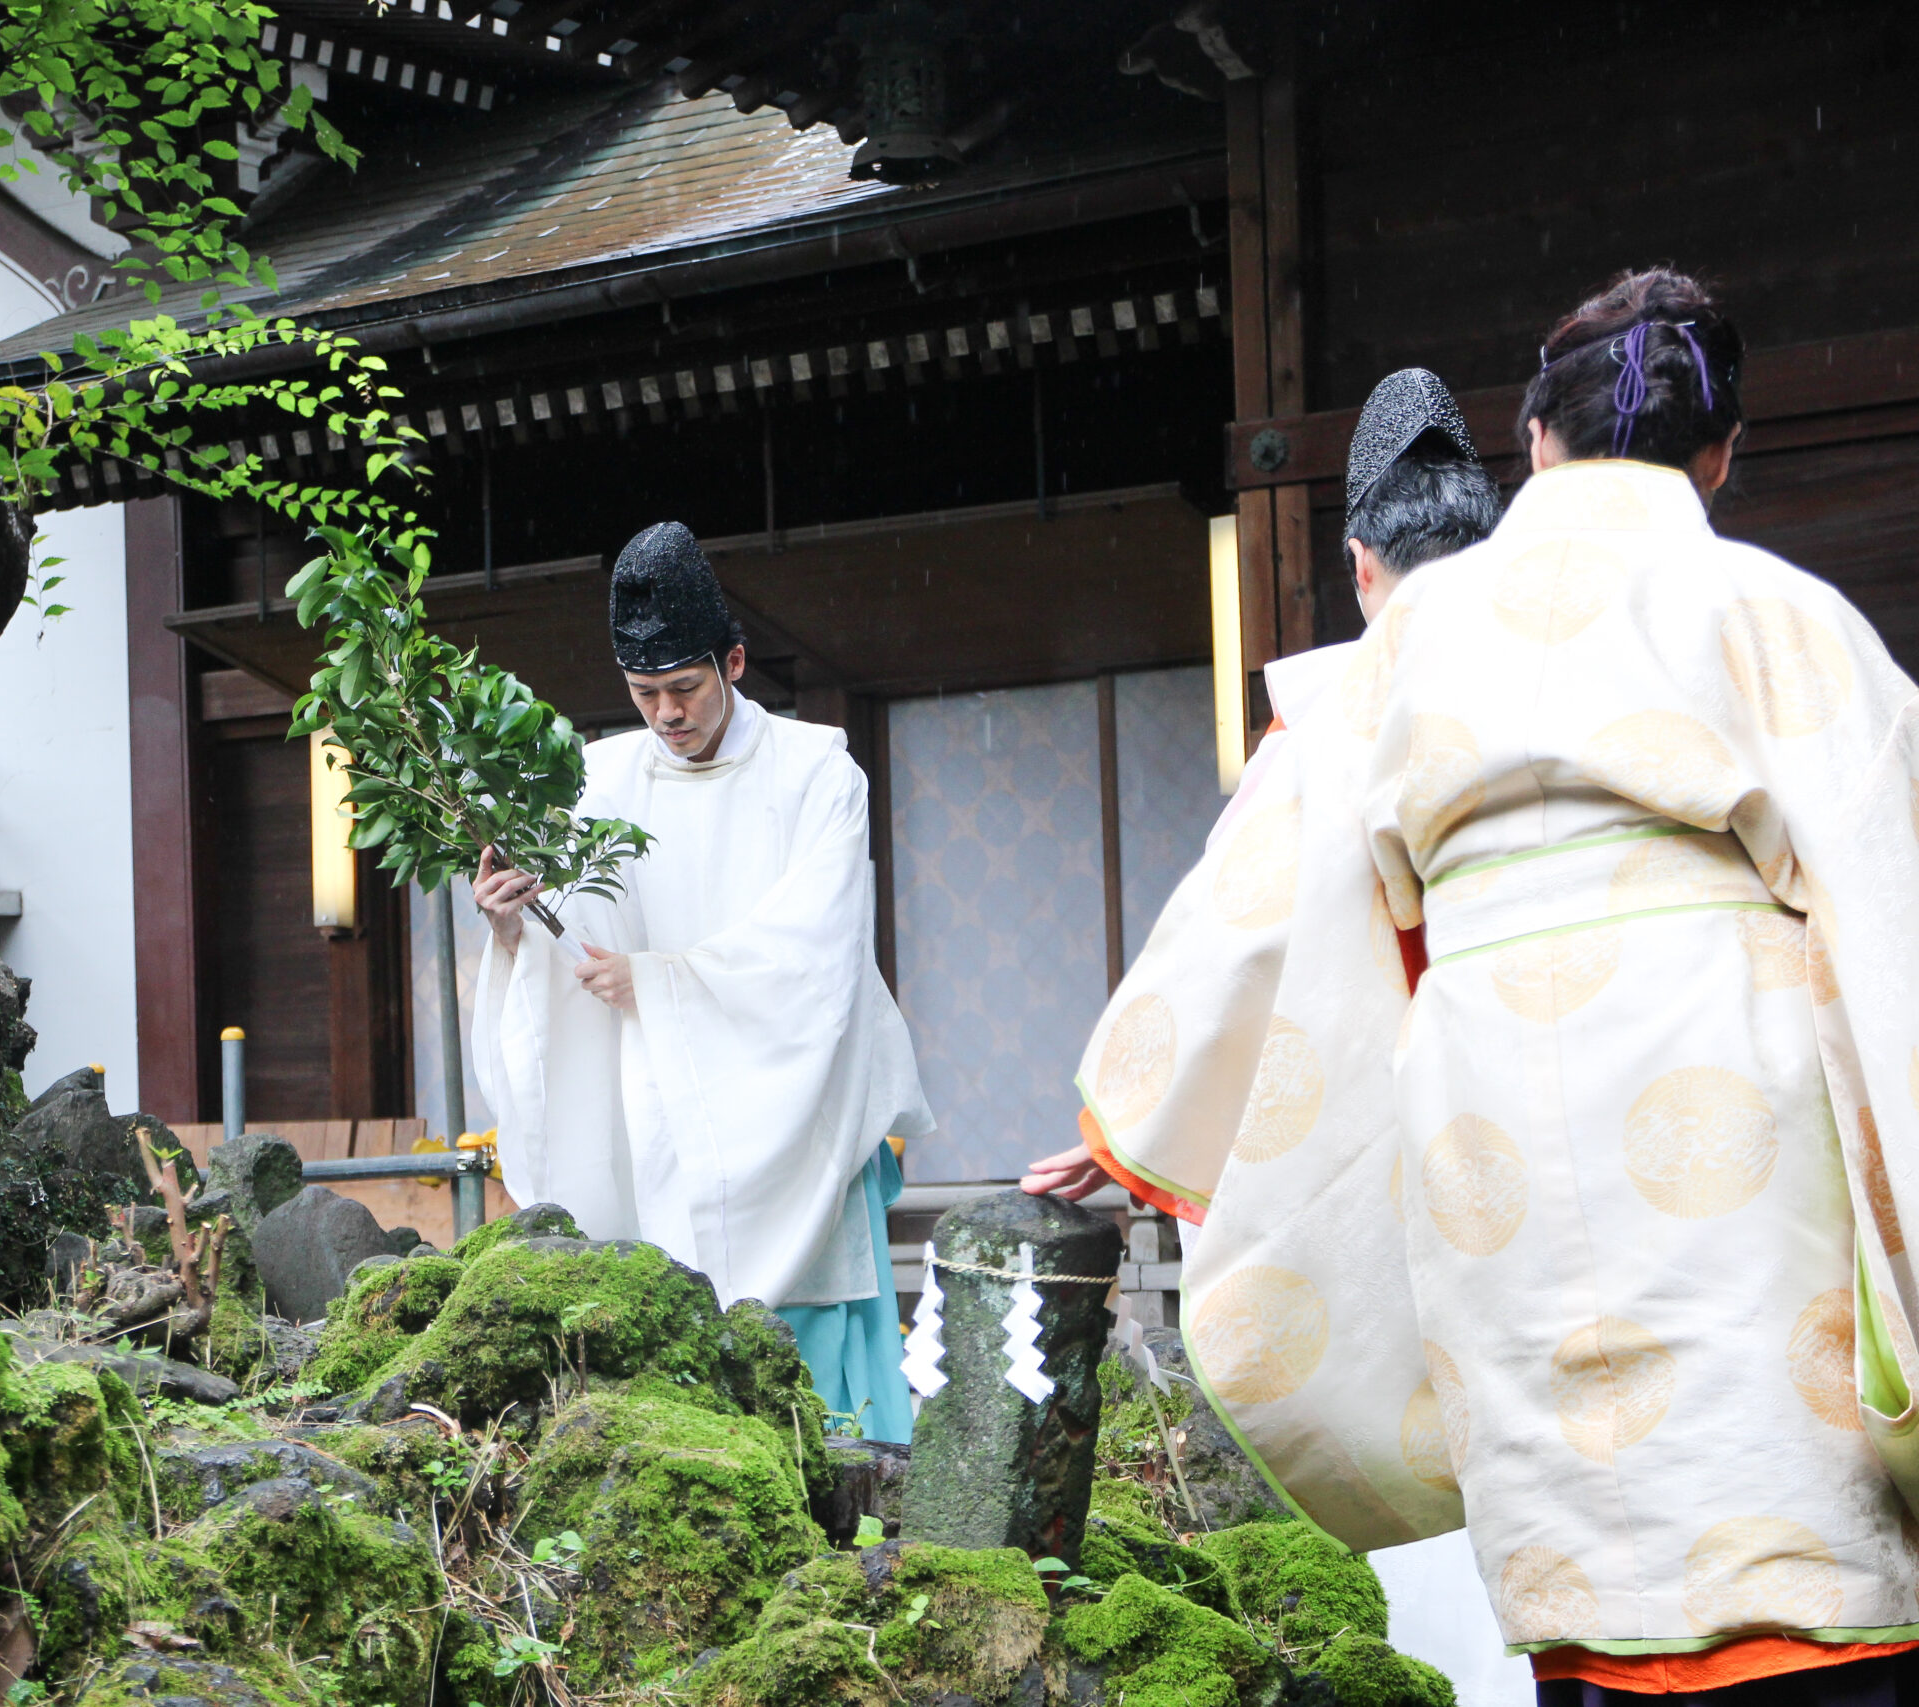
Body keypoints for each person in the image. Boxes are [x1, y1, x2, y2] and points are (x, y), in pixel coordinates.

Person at [1051, 266, 1919, 1705]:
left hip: (1497, 1118)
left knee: (1588, 1525)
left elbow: (1257, 910)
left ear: (1534, 443)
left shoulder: (1409, 645)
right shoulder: (1784, 612)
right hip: (1738, 1101)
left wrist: (1129, 1116)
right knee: (1778, 1490)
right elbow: (1892, 894)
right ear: (1721, 456)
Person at [1025, 369, 1531, 1705]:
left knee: (1433, 1417)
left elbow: (1229, 947)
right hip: (1570, 1137)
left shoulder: (1329, 728)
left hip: (1411, 1156)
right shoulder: (1573, 685)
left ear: (1362, 563)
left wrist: (1116, 1132)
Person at [470, 520, 934, 1444]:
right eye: (643, 693)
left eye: (684, 688)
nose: (666, 714)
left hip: (791, 1097)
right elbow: (576, 949)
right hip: (654, 1107)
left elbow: (818, 952)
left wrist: (663, 984)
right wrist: (511, 921)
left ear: (733, 661)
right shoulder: (594, 780)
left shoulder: (816, 773)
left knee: (817, 1366)